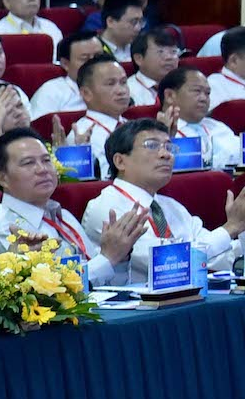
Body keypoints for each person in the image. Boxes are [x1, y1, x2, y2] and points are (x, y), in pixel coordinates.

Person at [82, 119, 245, 280]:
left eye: (169, 147)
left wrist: (241, 228)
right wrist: (230, 227)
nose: (165, 154)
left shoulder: (171, 206)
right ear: (120, 161)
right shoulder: (106, 207)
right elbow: (167, 263)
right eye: (152, 146)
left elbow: (218, 257)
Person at [0, 128, 138, 288]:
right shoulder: (4, 227)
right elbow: (51, 293)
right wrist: (107, 259)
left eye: (46, 160)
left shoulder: (64, 216)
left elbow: (108, 283)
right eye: (28, 163)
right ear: (3, 178)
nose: (42, 169)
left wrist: (120, 256)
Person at [158, 67, 240, 170]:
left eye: (207, 93)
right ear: (169, 96)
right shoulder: (155, 133)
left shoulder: (218, 126)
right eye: (197, 91)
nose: (204, 98)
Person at [72, 55, 133, 176]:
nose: (121, 91)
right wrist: (80, 151)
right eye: (111, 84)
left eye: (124, 82)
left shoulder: (131, 126)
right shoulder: (80, 135)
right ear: (86, 93)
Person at [26, 32, 102, 118]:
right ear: (65, 64)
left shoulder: (116, 87)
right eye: (85, 59)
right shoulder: (51, 92)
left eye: (98, 56)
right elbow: (38, 127)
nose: (95, 63)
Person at [127, 28, 182, 107]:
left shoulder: (185, 86)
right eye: (160, 52)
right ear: (139, 59)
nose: (169, 57)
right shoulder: (128, 90)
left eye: (173, 52)